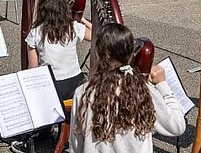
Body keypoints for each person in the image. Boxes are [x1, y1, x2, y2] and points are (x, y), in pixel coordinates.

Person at [70, 23, 186, 153]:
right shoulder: (143, 90)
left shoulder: (84, 92)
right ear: (131, 53)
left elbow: (76, 144)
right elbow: (177, 126)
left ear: (99, 54)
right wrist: (162, 84)